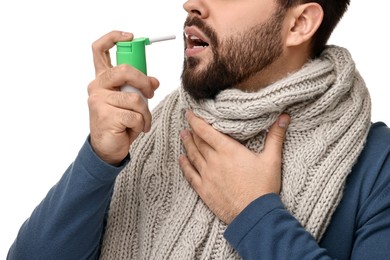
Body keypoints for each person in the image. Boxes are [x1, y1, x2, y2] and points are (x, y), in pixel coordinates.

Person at [7, 0, 390, 259]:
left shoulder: (378, 167)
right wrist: (100, 159)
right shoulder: (153, 129)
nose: (192, 3)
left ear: (299, 24)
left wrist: (253, 212)